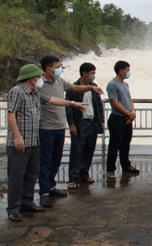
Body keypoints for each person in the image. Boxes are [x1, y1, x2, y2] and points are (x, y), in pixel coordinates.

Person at [6, 64, 87, 222]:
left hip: (34, 140)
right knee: (17, 176)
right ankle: (13, 208)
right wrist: (17, 137)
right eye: (37, 76)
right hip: (20, 142)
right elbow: (11, 114)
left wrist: (72, 104)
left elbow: (52, 100)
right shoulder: (16, 92)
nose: (40, 79)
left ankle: (27, 202)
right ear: (31, 78)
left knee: (31, 173)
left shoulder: (35, 92)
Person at [38, 55, 104, 208]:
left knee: (55, 160)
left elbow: (74, 88)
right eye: (58, 66)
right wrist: (73, 110)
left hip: (60, 127)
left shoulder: (60, 81)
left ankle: (51, 186)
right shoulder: (39, 84)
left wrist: (91, 87)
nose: (60, 68)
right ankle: (44, 193)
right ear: (49, 69)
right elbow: (54, 101)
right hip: (46, 128)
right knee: (46, 161)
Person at [65, 62, 105, 189]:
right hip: (80, 122)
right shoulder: (73, 88)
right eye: (92, 73)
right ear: (84, 73)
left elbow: (99, 106)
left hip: (92, 122)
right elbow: (69, 107)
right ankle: (73, 178)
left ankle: (84, 174)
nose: (94, 76)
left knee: (89, 150)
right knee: (77, 151)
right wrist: (72, 124)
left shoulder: (94, 87)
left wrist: (102, 122)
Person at [105, 60, 139, 179]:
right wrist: (128, 114)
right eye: (127, 70)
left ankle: (126, 165)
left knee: (125, 144)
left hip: (127, 118)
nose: (129, 72)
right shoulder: (112, 84)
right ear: (121, 71)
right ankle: (110, 170)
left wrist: (131, 112)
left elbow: (129, 99)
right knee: (114, 144)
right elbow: (115, 104)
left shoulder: (125, 84)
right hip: (117, 119)